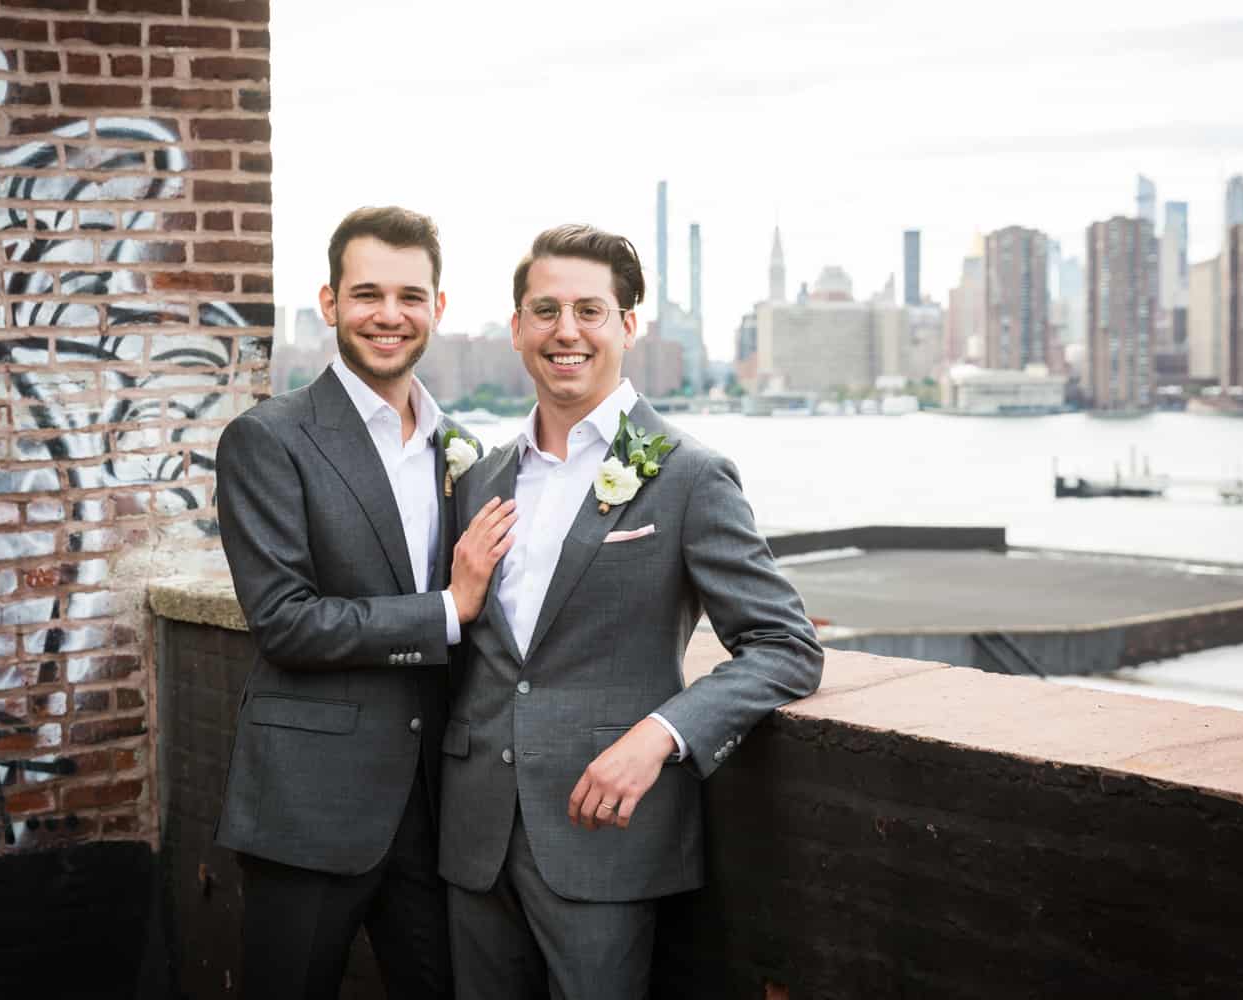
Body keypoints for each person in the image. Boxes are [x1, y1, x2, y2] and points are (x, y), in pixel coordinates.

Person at [438, 224, 824, 998]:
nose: (567, 331)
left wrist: (661, 735)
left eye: (590, 310)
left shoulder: (689, 476)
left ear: (628, 326)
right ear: (516, 328)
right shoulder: (480, 481)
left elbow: (786, 646)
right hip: (475, 835)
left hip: (606, 835)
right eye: (546, 310)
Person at [213, 206, 516, 999]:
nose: (390, 315)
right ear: (330, 302)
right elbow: (284, 622)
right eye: (368, 294)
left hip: (436, 804)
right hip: (311, 802)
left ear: (437, 308)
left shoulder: (462, 447)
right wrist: (448, 609)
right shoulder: (268, 439)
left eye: (410, 296)